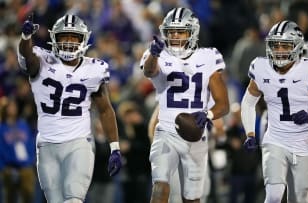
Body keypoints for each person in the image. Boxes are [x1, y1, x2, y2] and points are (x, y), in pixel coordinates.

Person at [17, 14, 122, 203]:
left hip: (78, 142)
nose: (68, 42)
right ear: (54, 39)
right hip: (47, 145)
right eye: (64, 37)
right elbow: (28, 57)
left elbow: (105, 110)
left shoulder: (94, 68)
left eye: (74, 37)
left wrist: (115, 147)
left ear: (83, 39)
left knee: (73, 199)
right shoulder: (41, 59)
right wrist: (25, 38)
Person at [240, 20, 308, 203]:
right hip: (274, 139)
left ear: (297, 47)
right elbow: (247, 103)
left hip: (303, 144)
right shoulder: (261, 68)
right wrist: (250, 133)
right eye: (275, 45)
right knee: (274, 196)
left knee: (299, 199)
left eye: (285, 45)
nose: (279, 50)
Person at [140, 7, 229, 203]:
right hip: (166, 132)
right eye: (171, 31)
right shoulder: (159, 55)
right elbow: (149, 71)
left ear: (192, 33)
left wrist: (208, 115)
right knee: (160, 186)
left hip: (196, 135)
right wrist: (153, 55)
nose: (175, 36)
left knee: (192, 198)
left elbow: (224, 104)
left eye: (180, 31)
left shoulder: (208, 57)